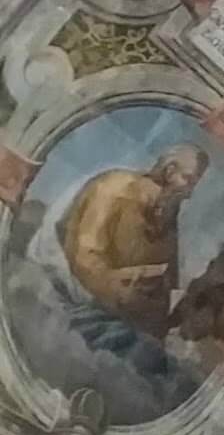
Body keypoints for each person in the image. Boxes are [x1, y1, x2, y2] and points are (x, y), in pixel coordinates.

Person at [57, 144, 207, 336]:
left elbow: (167, 282)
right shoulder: (114, 190)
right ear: (170, 172)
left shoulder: (167, 216)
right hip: (81, 303)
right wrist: (122, 293)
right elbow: (84, 259)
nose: (189, 194)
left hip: (130, 321)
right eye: (188, 181)